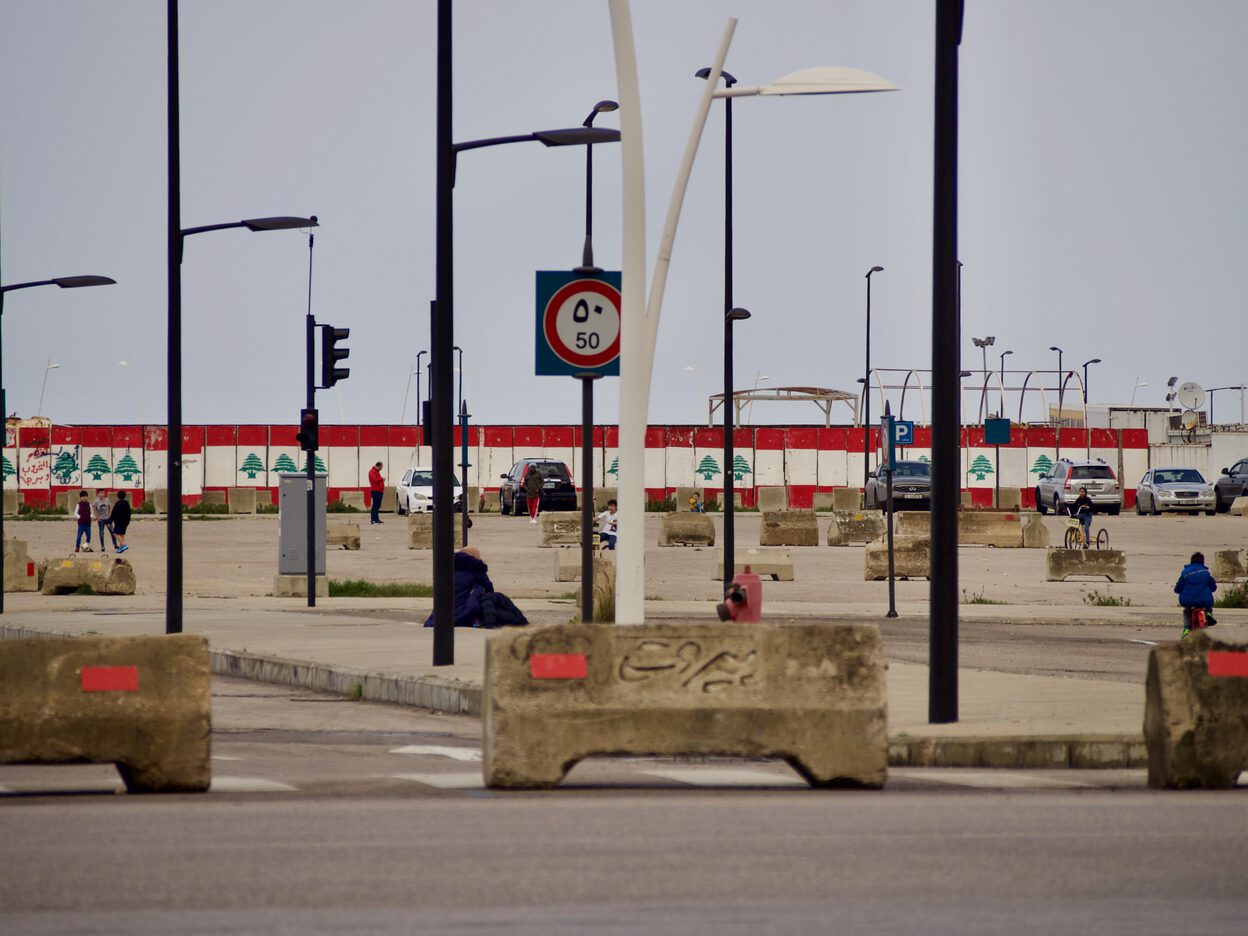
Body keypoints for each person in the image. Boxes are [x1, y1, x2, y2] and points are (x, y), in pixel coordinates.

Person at [423, 546, 527, 629]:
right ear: (473, 557)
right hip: (465, 608)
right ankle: (520, 621)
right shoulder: (476, 569)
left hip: (442, 610)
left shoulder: (447, 568)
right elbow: (489, 588)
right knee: (497, 599)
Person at [1174, 551, 1217, 639]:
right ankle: (1208, 613)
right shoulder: (1206, 572)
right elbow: (1213, 587)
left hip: (1188, 600)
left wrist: (1178, 591)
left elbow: (1178, 588)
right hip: (1204, 601)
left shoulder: (1185, 572)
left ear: (1191, 561)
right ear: (1202, 562)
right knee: (1208, 605)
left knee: (1187, 612)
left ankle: (1187, 628)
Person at [111, 490, 132, 554]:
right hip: (125, 522)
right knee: (122, 534)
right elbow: (129, 513)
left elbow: (114, 513)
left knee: (116, 533)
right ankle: (120, 548)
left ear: (118, 496)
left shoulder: (118, 504)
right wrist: (128, 521)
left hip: (119, 522)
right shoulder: (127, 504)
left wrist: (110, 521)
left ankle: (123, 545)